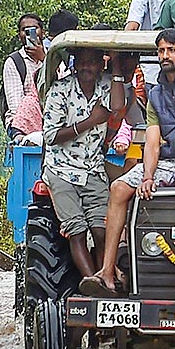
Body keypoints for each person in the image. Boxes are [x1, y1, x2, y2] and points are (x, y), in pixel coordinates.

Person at [85, 29, 175, 304]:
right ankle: (106, 271)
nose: (166, 55)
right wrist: (148, 176)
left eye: (172, 50)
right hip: (168, 160)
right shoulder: (157, 93)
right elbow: (152, 142)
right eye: (161, 50)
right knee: (118, 187)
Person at [42, 47, 128, 281]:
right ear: (75, 64)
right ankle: (91, 282)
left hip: (93, 169)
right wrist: (90, 122)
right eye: (82, 62)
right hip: (62, 169)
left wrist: (117, 66)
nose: (87, 67)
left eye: (93, 62)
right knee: (77, 231)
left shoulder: (107, 85)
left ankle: (105, 278)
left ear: (102, 64)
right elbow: (50, 135)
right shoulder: (60, 90)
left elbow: (118, 107)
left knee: (103, 232)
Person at [2, 13, 46, 126]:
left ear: (43, 32)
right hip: (22, 121)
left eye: (34, 28)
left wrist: (43, 59)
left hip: (52, 118)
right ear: (19, 35)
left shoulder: (54, 56)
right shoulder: (14, 62)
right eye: (24, 30)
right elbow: (15, 104)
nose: (29, 32)